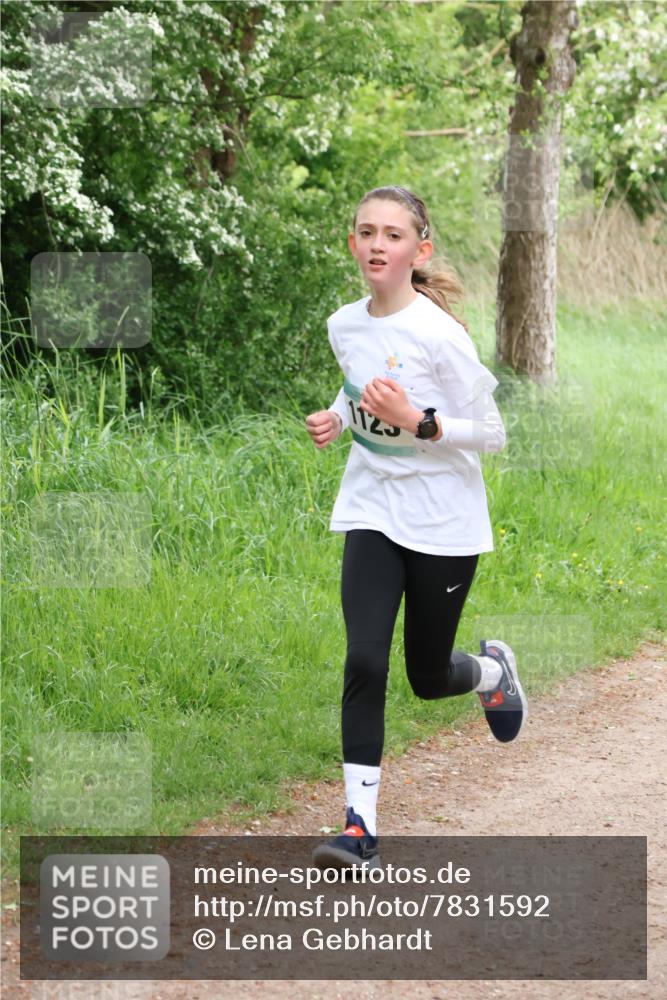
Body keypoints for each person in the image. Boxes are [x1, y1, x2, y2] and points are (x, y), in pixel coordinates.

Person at [304, 185, 528, 870]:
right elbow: (356, 383)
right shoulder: (344, 324)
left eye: (392, 235)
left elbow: (494, 434)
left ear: (417, 250)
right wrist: (338, 418)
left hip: (443, 522)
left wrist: (419, 422)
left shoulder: (440, 335)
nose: (377, 244)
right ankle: (358, 829)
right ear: (352, 243)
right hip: (372, 508)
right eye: (365, 232)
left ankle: (491, 671)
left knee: (427, 676)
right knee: (364, 659)